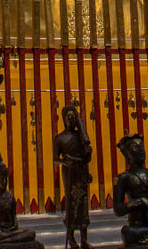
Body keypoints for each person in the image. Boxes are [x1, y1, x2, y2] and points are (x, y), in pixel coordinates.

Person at [53, 105, 93, 249]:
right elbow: (55, 159)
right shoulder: (59, 138)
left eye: (73, 117)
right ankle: (71, 237)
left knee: (83, 204)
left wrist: (88, 156)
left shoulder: (80, 137)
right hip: (69, 172)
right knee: (71, 203)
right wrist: (65, 161)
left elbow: (85, 157)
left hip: (81, 171)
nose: (71, 119)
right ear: (64, 119)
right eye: (68, 117)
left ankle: (84, 238)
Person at [0, 156, 40, 247]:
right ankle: (6, 240)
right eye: (1, 179)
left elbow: (14, 216)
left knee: (31, 233)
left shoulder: (10, 195)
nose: (4, 181)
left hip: (11, 230)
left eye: (5, 179)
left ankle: (5, 241)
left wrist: (14, 226)